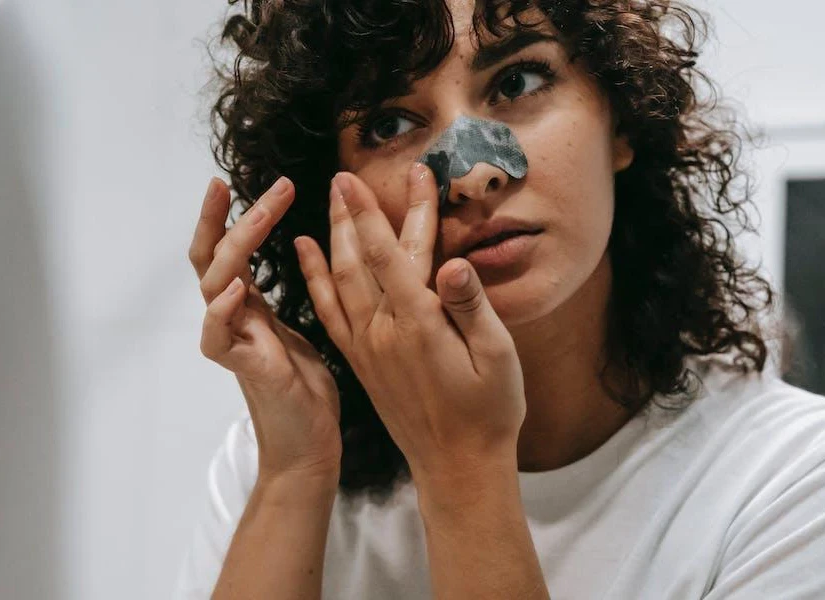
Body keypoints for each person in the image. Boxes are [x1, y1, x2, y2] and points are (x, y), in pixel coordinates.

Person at [175, 0, 825, 598]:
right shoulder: (282, 458)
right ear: (331, 195)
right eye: (390, 123)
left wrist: (462, 467)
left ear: (620, 123)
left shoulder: (791, 482)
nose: (476, 173)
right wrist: (296, 472)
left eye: (517, 82)